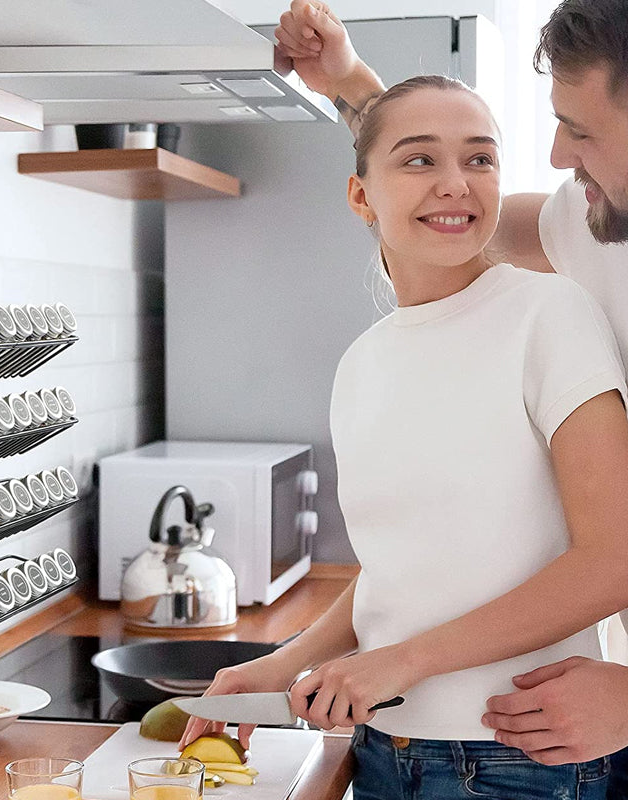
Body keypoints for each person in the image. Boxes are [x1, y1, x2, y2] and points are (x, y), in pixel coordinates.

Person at [178, 72, 628, 799]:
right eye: (420, 160)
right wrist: (282, 660)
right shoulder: (364, 362)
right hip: (387, 751)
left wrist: (402, 661)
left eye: (479, 159)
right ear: (361, 196)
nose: (456, 183)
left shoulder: (549, 315)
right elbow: (407, 573)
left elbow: (614, 559)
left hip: (525, 759)